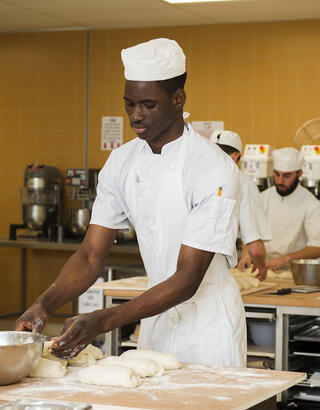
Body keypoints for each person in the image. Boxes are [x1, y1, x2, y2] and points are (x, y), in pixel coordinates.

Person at [15, 38, 246, 367]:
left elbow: (187, 277)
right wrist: (43, 304)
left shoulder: (212, 168)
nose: (136, 116)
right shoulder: (121, 162)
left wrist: (103, 319)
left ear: (178, 99)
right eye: (129, 104)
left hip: (208, 326)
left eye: (148, 105)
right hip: (154, 316)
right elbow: (91, 254)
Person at [210, 130, 272, 280]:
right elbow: (255, 247)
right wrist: (261, 266)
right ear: (237, 155)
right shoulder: (242, 182)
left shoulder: (193, 178)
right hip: (216, 272)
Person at [252, 147, 320, 271]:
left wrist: (286, 258)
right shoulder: (263, 198)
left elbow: (317, 247)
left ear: (299, 174)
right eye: (277, 174)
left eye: (286, 176)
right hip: (263, 269)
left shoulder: (312, 204)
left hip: (294, 272)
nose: (280, 181)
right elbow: (250, 232)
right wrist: (247, 253)